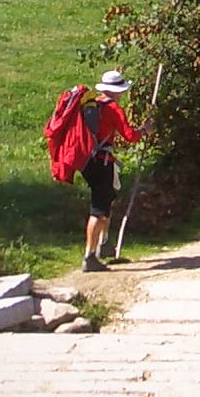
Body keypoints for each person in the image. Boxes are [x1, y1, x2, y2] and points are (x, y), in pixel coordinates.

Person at [79, 70, 144, 272]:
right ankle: (89, 257)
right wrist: (145, 131)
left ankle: (104, 245)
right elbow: (130, 136)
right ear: (116, 91)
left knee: (107, 199)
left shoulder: (93, 105)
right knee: (98, 209)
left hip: (88, 162)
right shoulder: (114, 109)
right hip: (103, 162)